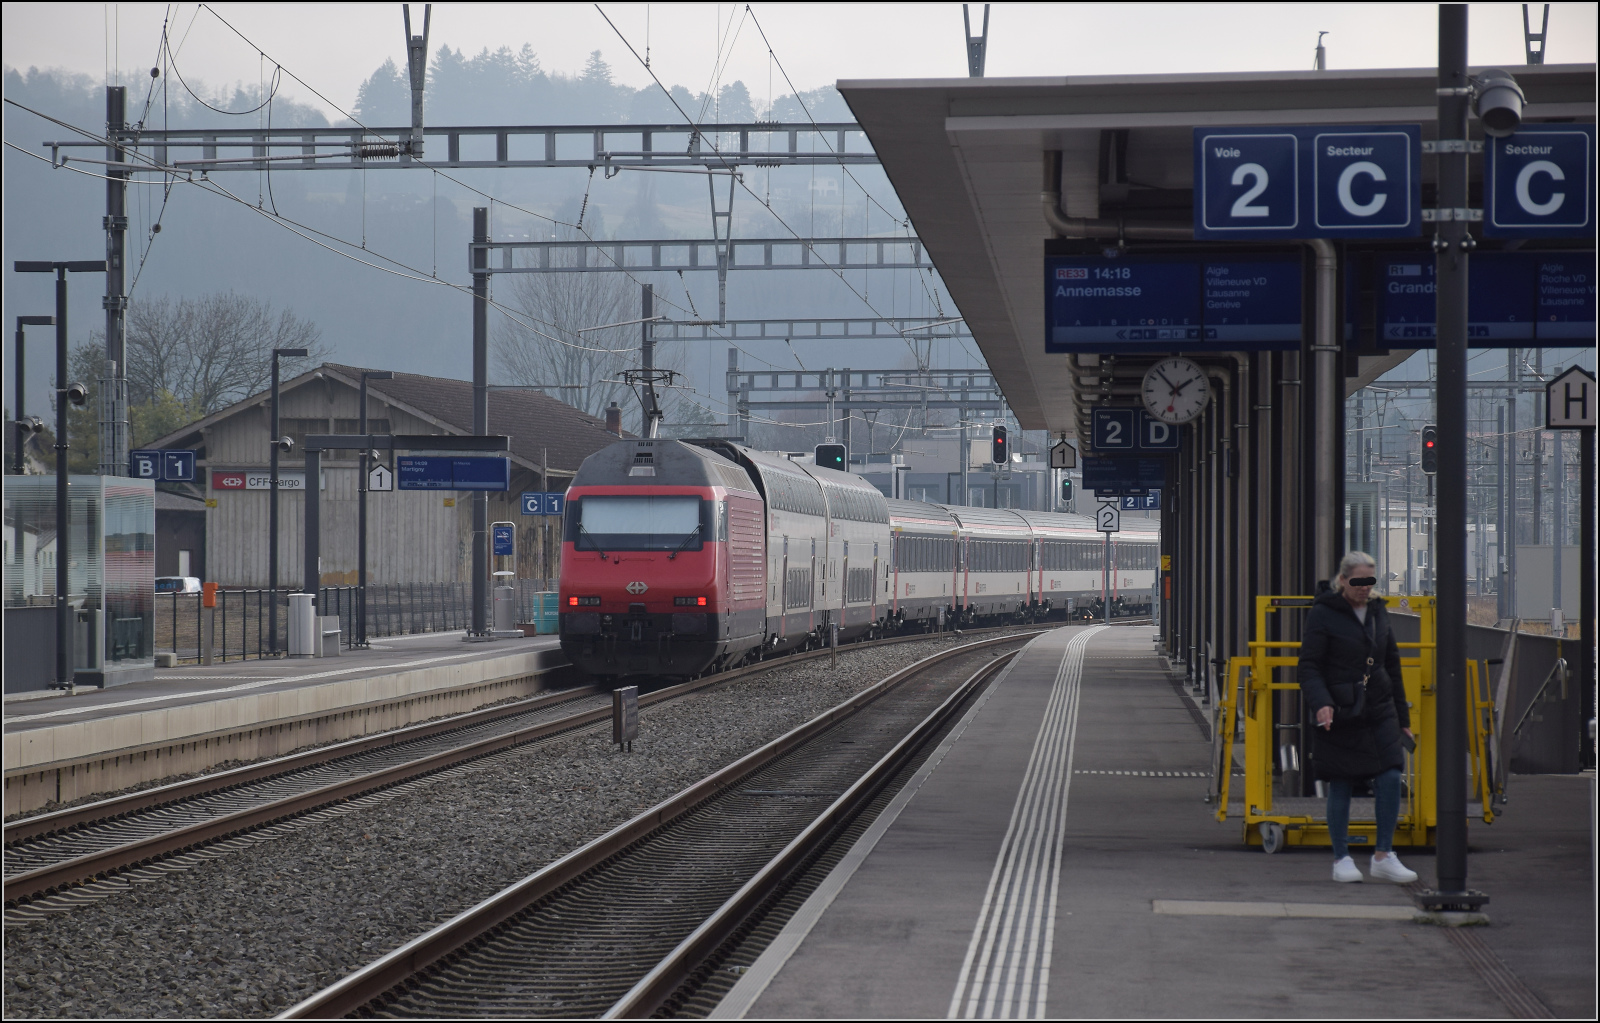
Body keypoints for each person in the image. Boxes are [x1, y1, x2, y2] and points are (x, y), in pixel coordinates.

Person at [1298, 551, 1419, 884]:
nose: (1365, 587)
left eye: (1370, 580)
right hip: (1340, 710)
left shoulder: (1379, 612)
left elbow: (1391, 664)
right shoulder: (1324, 614)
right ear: (1342, 581)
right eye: (1358, 581)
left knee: (1392, 774)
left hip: (1379, 708)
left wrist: (1402, 716)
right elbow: (1308, 666)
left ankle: (1384, 854)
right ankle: (1341, 859)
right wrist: (1321, 703)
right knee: (1341, 782)